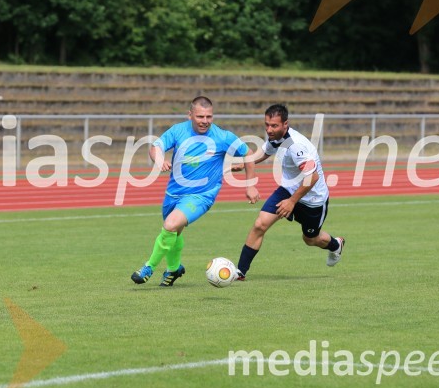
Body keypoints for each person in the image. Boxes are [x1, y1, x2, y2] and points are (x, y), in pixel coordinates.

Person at [131, 96, 260, 286]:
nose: (205, 121)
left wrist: (250, 185)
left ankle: (148, 267)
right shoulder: (178, 130)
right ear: (190, 115)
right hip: (173, 193)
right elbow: (156, 147)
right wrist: (159, 161)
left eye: (209, 117)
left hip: (201, 196)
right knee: (174, 232)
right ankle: (174, 270)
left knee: (170, 225)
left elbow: (248, 154)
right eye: (200, 116)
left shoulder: (223, 137)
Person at [233, 104, 344, 280]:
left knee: (310, 239)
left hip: (313, 199)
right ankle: (240, 272)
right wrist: (246, 162)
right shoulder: (276, 136)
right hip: (289, 189)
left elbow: (312, 177)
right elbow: (265, 151)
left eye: (274, 125)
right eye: (267, 124)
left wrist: (292, 202)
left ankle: (335, 245)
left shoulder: (296, 146)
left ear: (286, 124)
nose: (269, 129)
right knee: (260, 224)